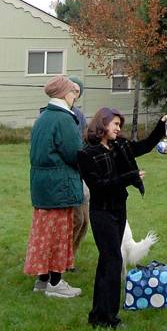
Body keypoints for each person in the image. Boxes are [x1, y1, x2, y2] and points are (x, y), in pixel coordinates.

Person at [77, 107, 167, 329]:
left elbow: (144, 146)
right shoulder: (86, 154)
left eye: (120, 125)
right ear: (102, 125)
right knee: (113, 262)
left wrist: (161, 127)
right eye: (115, 124)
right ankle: (110, 318)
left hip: (119, 210)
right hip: (102, 213)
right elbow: (98, 187)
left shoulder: (119, 146)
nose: (119, 129)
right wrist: (129, 177)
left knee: (106, 262)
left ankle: (98, 315)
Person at [24, 75, 84, 298]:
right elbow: (74, 154)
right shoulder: (63, 119)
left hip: (42, 186)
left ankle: (42, 281)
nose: (74, 96)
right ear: (64, 94)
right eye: (72, 92)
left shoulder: (43, 117)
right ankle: (56, 283)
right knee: (59, 235)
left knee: (44, 234)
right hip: (59, 185)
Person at [69, 77, 90, 264]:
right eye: (72, 89)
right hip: (68, 175)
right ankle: (65, 257)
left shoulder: (79, 116)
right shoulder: (59, 114)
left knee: (84, 221)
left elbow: (86, 140)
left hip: (81, 174)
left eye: (77, 91)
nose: (74, 93)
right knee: (76, 218)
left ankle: (71, 255)